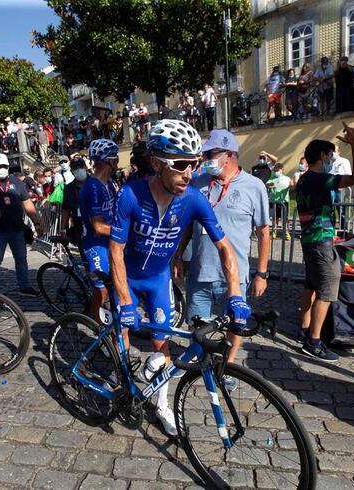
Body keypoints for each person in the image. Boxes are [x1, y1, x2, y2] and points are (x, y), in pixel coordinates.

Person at [109, 119, 250, 436]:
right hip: (128, 278)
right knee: (124, 335)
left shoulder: (194, 199)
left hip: (158, 279)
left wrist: (236, 295)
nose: (190, 172)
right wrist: (125, 300)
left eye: (195, 163)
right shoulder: (130, 195)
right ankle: (124, 384)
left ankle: (161, 403)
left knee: (163, 342)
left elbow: (226, 249)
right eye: (182, 164)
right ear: (157, 163)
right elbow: (115, 250)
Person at [173, 129, 269, 392]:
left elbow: (263, 231)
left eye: (211, 154)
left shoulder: (254, 186)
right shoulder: (199, 182)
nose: (206, 158)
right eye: (205, 154)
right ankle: (201, 360)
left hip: (234, 276)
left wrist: (261, 273)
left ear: (229, 155)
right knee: (196, 323)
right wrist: (179, 255)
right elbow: (187, 225)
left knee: (235, 323)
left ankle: (227, 366)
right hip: (201, 269)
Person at [295, 123, 354, 361]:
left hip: (310, 239)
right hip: (320, 242)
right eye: (331, 155)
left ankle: (304, 328)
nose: (332, 159)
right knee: (326, 291)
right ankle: (314, 341)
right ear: (323, 156)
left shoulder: (305, 179)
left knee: (310, 285)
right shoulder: (318, 179)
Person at [0, 153, 41, 297]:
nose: (2, 169)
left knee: (21, 258)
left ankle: (24, 286)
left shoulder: (16, 182)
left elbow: (27, 203)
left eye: (5, 166)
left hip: (16, 229)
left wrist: (36, 222)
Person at [80, 139, 119, 320]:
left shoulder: (110, 184)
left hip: (111, 241)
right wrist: (125, 232)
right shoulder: (92, 186)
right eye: (115, 159)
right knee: (101, 291)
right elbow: (98, 227)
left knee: (118, 284)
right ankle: (95, 322)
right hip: (95, 244)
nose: (118, 162)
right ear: (107, 161)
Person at [60, 157, 89, 250]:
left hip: (97, 228)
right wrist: (63, 228)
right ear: (72, 171)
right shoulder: (68, 189)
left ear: (85, 167)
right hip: (79, 230)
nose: (78, 170)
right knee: (86, 260)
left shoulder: (95, 183)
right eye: (75, 168)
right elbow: (66, 210)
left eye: (80, 166)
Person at [266, 163, 292, 240]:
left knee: (285, 218)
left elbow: (290, 184)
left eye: (278, 170)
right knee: (275, 217)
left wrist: (291, 184)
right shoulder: (272, 178)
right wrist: (273, 183)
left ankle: (286, 232)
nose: (276, 172)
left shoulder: (286, 178)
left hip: (284, 201)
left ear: (282, 170)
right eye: (275, 170)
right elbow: (267, 185)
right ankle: (274, 232)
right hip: (275, 201)